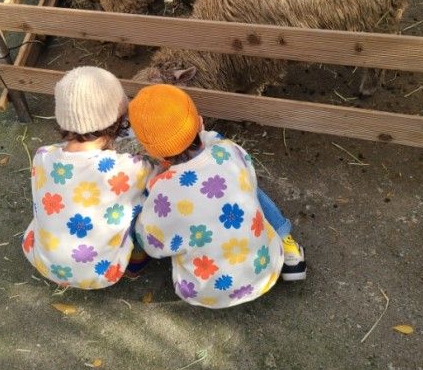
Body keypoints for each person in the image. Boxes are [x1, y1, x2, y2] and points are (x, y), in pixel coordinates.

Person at [129, 84, 306, 308]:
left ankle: (132, 260)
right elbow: (250, 183)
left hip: (207, 293)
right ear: (200, 122)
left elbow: (154, 246)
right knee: (248, 190)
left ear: (150, 151)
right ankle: (287, 244)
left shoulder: (162, 190)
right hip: (267, 270)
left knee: (156, 221)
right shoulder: (230, 151)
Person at [21, 67, 153, 288]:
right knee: (147, 200)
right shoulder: (130, 167)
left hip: (42, 261)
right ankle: (133, 266)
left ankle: (64, 266)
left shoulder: (43, 156)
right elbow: (158, 178)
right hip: (101, 273)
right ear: (119, 120)